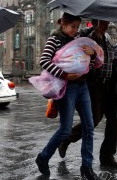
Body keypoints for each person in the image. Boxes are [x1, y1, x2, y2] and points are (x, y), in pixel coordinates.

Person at [35, 13, 100, 180]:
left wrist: (92, 54)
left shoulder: (78, 39)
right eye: (72, 27)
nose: (75, 30)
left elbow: (86, 65)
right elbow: (44, 61)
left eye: (77, 27)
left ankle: (87, 167)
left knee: (89, 127)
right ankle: (43, 157)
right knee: (65, 129)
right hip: (67, 88)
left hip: (82, 86)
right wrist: (64, 75)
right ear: (63, 24)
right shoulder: (54, 39)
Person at [58, 19, 117, 169]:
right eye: (102, 23)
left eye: (107, 23)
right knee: (94, 119)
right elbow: (78, 52)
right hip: (94, 84)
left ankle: (107, 157)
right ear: (94, 22)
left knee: (114, 119)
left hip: (110, 83)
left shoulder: (107, 38)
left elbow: (108, 56)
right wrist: (93, 34)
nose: (105, 26)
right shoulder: (85, 35)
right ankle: (67, 138)